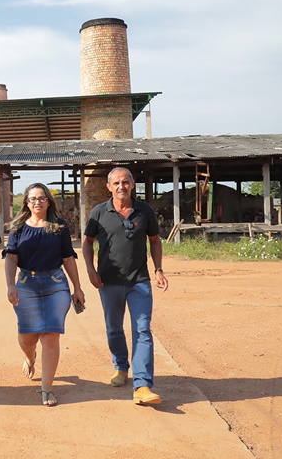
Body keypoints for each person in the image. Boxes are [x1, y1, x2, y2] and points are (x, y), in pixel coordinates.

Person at [82, 167, 169, 405]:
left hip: (139, 282)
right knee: (114, 328)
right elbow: (87, 242)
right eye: (116, 183)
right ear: (109, 187)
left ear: (132, 184)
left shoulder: (145, 211)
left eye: (126, 182)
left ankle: (142, 385)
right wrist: (90, 269)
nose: (121, 186)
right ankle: (120, 367)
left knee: (142, 330)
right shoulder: (99, 212)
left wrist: (158, 269)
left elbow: (154, 240)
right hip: (108, 281)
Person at [3, 183, 86, 407]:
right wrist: (11, 285)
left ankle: (47, 389)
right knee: (28, 337)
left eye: (41, 198)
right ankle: (30, 358)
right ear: (27, 203)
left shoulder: (59, 226)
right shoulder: (18, 228)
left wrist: (77, 287)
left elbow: (68, 257)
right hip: (26, 285)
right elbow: (11, 257)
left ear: (48, 201)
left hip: (56, 284)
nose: (37, 202)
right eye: (32, 199)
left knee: (50, 335)